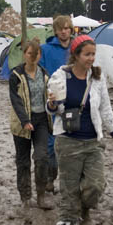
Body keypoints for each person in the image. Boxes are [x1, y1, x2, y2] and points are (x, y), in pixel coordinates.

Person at [47, 35, 113, 225]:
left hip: (93, 142)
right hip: (68, 141)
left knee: (96, 185)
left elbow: (106, 108)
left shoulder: (97, 78)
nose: (91, 58)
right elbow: (52, 109)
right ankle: (68, 223)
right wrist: (51, 104)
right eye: (87, 54)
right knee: (69, 187)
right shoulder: (60, 76)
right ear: (76, 55)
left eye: (93, 54)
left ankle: (85, 209)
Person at [9, 38, 53, 210]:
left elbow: (50, 97)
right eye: (29, 53)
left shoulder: (45, 74)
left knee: (42, 157)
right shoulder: (16, 75)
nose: (33, 57)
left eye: (36, 54)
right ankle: (26, 196)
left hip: (41, 120)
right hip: (21, 123)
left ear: (40, 55)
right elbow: (15, 100)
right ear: (24, 54)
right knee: (23, 161)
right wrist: (25, 120)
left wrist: (53, 103)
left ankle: (41, 195)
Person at [39, 15, 74, 193]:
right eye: (61, 28)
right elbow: (41, 74)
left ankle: (70, 182)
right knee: (51, 145)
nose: (64, 31)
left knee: (73, 144)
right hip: (52, 102)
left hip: (74, 102)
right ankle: (50, 178)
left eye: (67, 28)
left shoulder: (77, 48)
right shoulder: (45, 49)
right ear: (55, 30)